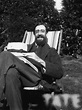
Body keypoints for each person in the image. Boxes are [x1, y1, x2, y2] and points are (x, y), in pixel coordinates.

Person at [0, 24, 63, 110]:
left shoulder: (51, 51)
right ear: (34, 35)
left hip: (37, 78)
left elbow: (59, 72)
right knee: (11, 73)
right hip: (24, 76)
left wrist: (41, 61)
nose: (39, 33)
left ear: (46, 34)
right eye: (37, 31)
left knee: (5, 55)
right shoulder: (26, 48)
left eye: (42, 31)